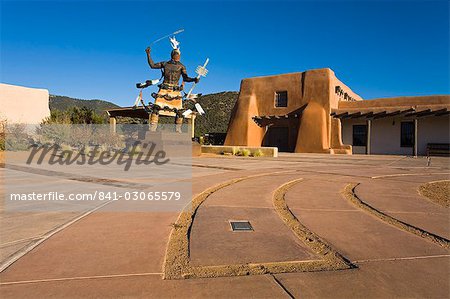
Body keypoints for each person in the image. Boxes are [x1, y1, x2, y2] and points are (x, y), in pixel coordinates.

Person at [145, 47, 199, 132]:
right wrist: (148, 54)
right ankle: (152, 129)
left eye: (178, 54)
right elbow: (152, 65)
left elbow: (186, 78)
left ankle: (177, 130)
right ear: (173, 55)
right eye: (177, 54)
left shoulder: (181, 66)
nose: (178, 56)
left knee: (179, 112)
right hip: (164, 90)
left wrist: (194, 79)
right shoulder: (165, 63)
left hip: (175, 91)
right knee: (156, 109)